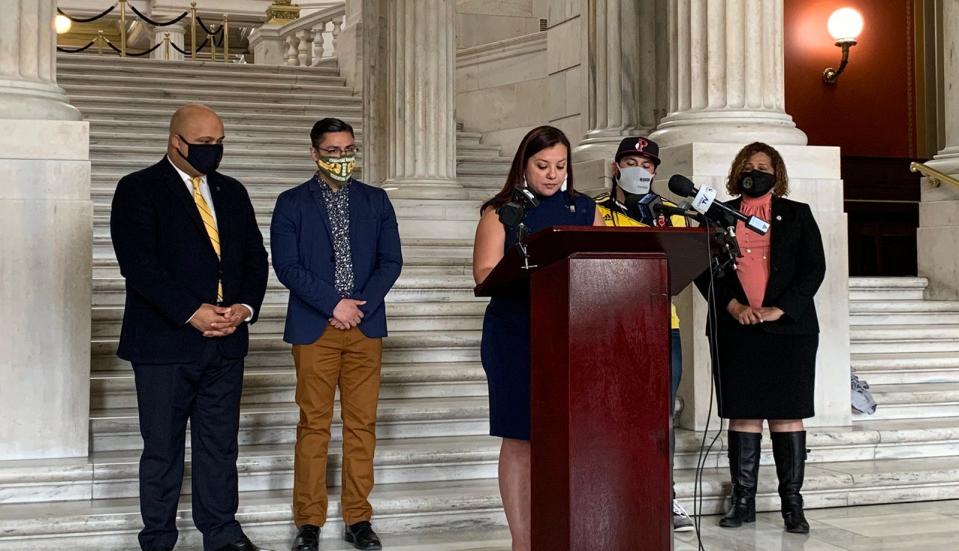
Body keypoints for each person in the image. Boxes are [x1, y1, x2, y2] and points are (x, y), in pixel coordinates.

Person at [110, 104, 270, 551]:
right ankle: (158, 538)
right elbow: (139, 265)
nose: (213, 151)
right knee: (162, 449)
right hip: (164, 344)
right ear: (175, 141)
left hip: (226, 342)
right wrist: (190, 311)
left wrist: (243, 307)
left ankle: (221, 534)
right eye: (203, 145)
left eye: (218, 143)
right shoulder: (138, 188)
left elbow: (255, 259)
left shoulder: (232, 191)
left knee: (219, 446)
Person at [270, 118, 402, 551]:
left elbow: (391, 261)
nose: (342, 159)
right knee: (314, 425)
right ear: (314, 154)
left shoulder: (377, 201)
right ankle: (308, 521)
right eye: (332, 152)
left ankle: (358, 519)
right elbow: (287, 267)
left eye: (348, 151)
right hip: (315, 328)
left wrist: (358, 306)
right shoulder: (291, 203)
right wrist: (333, 304)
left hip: (365, 326)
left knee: (362, 426)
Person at [472, 126, 602, 550]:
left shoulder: (584, 209)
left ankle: (568, 532)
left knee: (573, 438)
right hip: (515, 336)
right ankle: (522, 541)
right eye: (542, 166)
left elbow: (604, 265)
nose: (551, 175)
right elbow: (484, 274)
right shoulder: (501, 211)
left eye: (560, 166)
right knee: (521, 437)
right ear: (523, 165)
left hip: (572, 334)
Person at [697, 142, 826, 534]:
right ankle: (743, 502)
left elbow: (813, 268)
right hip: (737, 329)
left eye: (764, 166)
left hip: (790, 331)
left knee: (788, 414)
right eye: (749, 165)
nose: (757, 170)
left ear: (777, 173)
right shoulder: (717, 216)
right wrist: (733, 306)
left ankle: (793, 506)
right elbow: (704, 269)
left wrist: (782, 308)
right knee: (744, 413)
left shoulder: (798, 214)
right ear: (738, 171)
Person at [594, 136, 694, 533]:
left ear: (656, 171)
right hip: (608, 328)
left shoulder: (674, 215)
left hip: (660, 327)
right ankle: (610, 495)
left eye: (647, 164)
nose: (640, 169)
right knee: (610, 416)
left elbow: (686, 265)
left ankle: (662, 496)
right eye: (631, 161)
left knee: (660, 418)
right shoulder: (594, 211)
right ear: (616, 167)